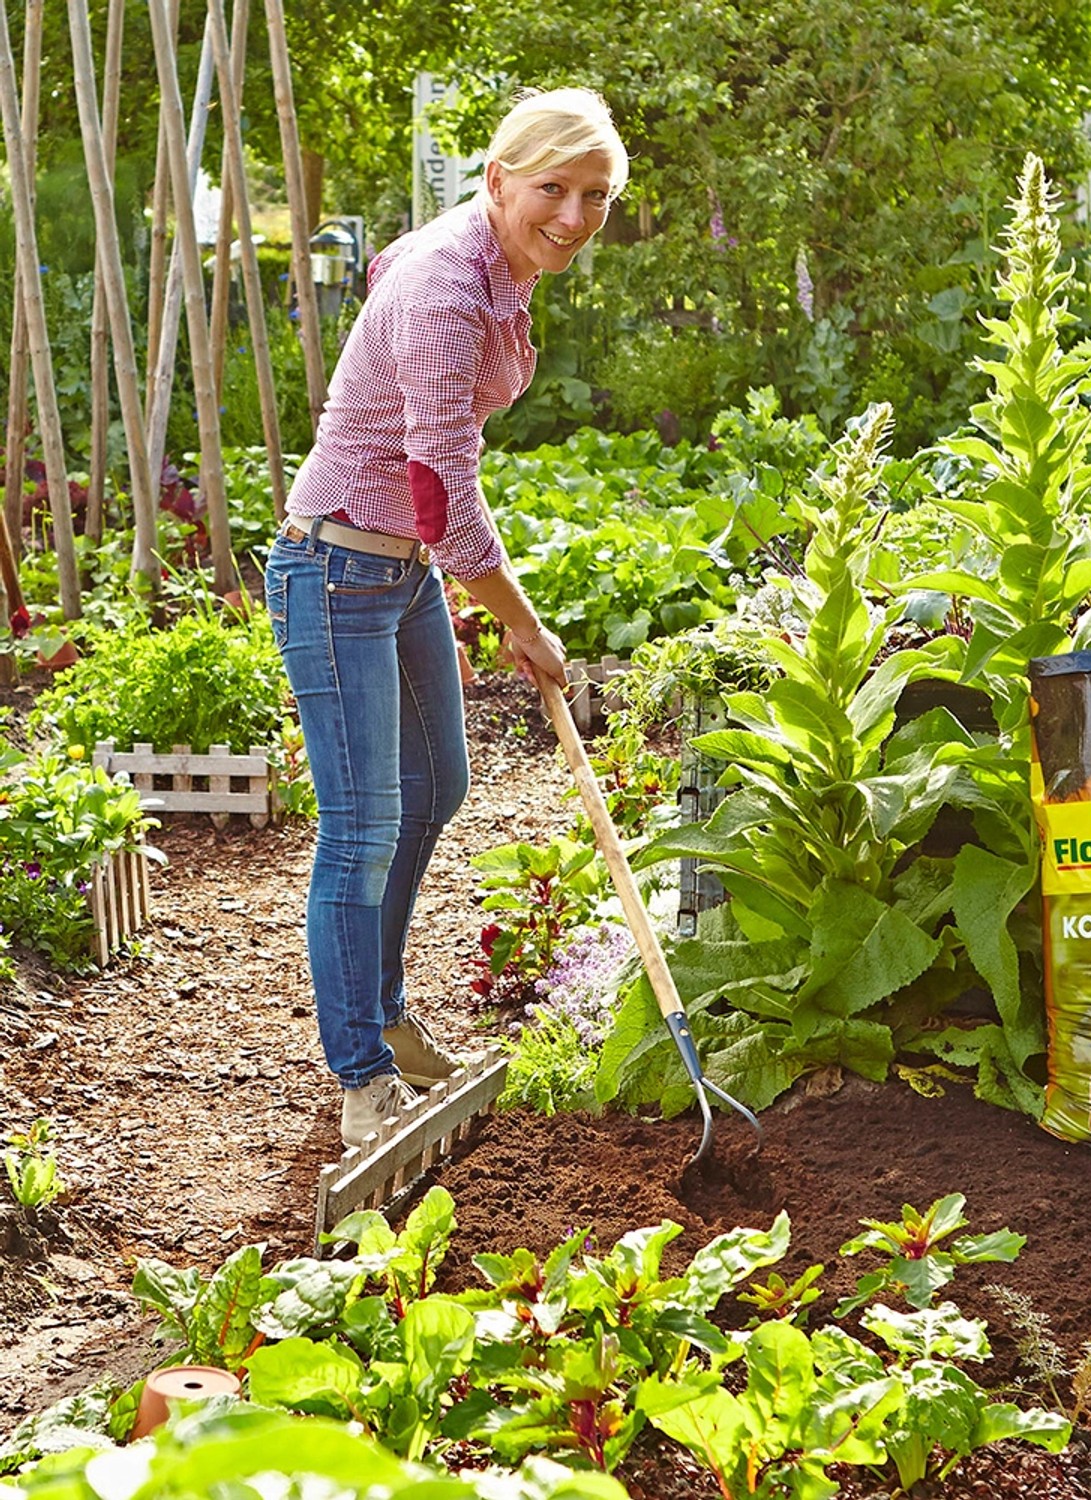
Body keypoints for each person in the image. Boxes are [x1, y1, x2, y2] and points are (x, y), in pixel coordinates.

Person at [264, 88, 629, 1149]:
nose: (572, 215)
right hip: (334, 568)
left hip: (397, 569)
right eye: (553, 189)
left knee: (439, 786)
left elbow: (438, 481)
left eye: (594, 197)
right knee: (364, 825)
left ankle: (378, 1012)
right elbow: (439, 491)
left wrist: (483, 587)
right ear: (498, 179)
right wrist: (522, 621)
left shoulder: (490, 266)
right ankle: (362, 1073)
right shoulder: (443, 289)